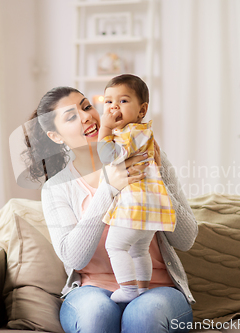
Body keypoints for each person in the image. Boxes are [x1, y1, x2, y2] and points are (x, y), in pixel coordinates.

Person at [24, 85, 198, 333]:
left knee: (144, 316)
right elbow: (74, 258)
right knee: (96, 316)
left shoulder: (149, 156)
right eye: (72, 117)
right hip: (92, 291)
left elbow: (186, 239)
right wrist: (109, 188)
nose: (86, 116)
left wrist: (155, 179)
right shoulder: (57, 187)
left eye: (86, 106)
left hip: (156, 289)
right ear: (56, 136)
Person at [97, 74, 176, 303]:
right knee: (139, 249)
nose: (113, 108)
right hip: (150, 207)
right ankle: (142, 288)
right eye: (108, 102)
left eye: (122, 101)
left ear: (142, 110)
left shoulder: (128, 133)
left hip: (135, 203)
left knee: (115, 246)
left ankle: (129, 289)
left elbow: (108, 157)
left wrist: (105, 129)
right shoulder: (144, 132)